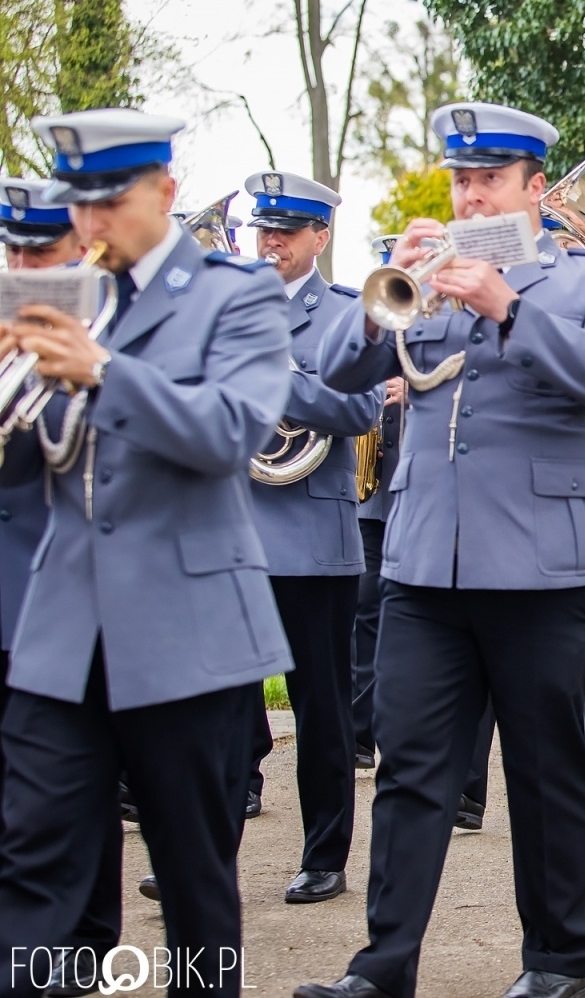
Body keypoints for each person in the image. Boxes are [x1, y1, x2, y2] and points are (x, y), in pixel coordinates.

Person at [295, 101, 585, 998]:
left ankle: (557, 964)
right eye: (460, 179)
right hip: (424, 564)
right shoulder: (430, 278)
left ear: (535, 189)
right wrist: (382, 295)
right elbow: (336, 375)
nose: (469, 193)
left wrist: (508, 307)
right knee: (410, 773)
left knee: (544, 771)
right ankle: (381, 969)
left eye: (488, 178)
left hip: (544, 571)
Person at [0, 108, 292, 998]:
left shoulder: (235, 293)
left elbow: (230, 431)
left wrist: (105, 372)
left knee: (195, 886)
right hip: (62, 633)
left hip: (188, 632)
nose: (89, 227)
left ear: (163, 192)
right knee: (32, 869)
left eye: (108, 203)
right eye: (77, 207)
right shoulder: (64, 291)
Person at [238, 170, 383, 905]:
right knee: (221, 708)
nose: (270, 243)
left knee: (319, 706)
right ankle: (202, 851)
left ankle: (324, 854)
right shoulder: (226, 306)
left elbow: (358, 411)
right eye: (262, 230)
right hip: (231, 533)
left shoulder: (346, 312)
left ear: (319, 236)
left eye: (285, 232)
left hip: (310, 541)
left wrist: (273, 377)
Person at [0, 178, 126, 997]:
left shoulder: (119, 327)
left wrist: (79, 367)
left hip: (66, 592)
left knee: (64, 802)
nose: (23, 266)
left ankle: (81, 952)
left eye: (40, 251)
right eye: (14, 251)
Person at [351, 233, 404, 774]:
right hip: (371, 499)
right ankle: (360, 734)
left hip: (419, 502)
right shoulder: (377, 340)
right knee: (365, 615)